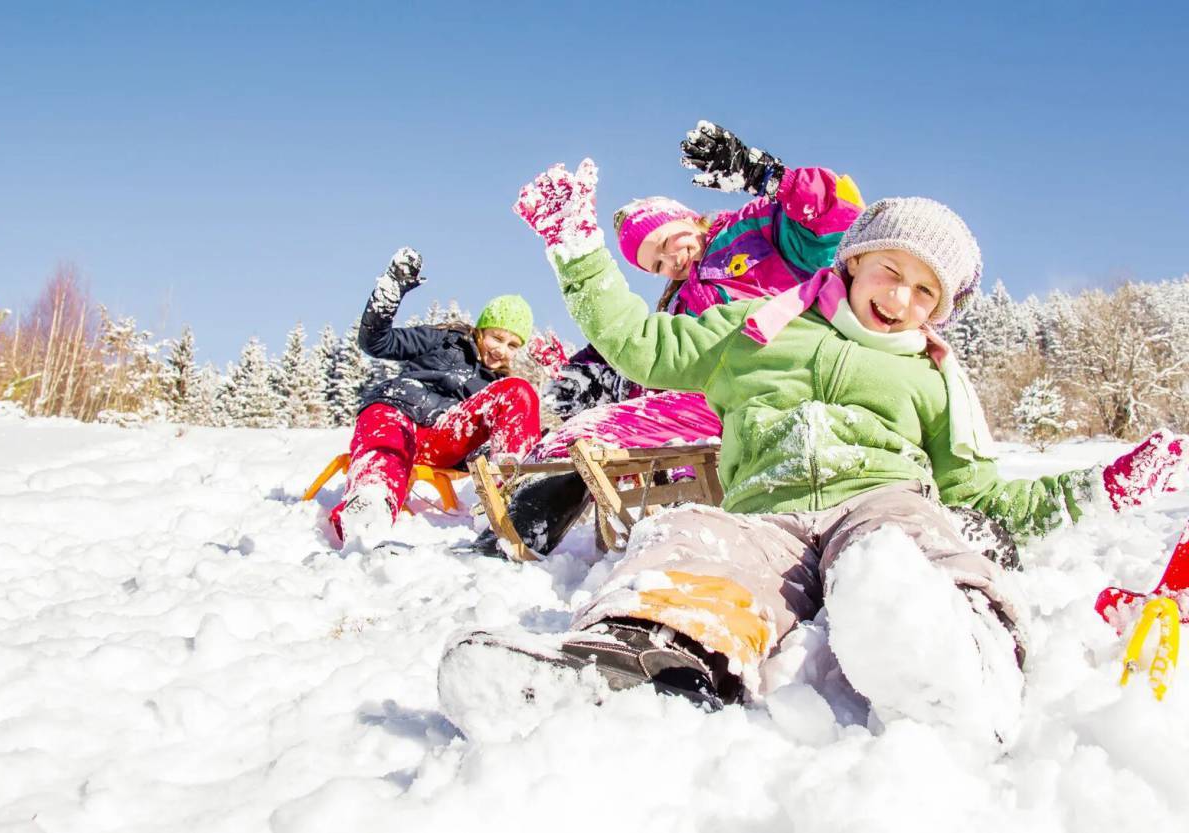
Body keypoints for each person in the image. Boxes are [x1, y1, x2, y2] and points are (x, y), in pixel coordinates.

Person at [439, 160, 1188, 745]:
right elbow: (641, 343)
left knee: (906, 547)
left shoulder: (931, 374)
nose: (902, 299)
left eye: (927, 292)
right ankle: (622, 661)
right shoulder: (759, 327)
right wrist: (579, 250)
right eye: (892, 270)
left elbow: (982, 497)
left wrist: (1104, 487)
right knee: (689, 538)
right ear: (856, 261)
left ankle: (959, 659)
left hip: (882, 500)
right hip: (769, 510)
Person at [463, 122, 866, 559]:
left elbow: (837, 222)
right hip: (713, 405)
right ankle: (510, 538)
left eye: (666, 242)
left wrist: (767, 177)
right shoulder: (677, 305)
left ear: (686, 217)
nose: (670, 261)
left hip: (783, 387)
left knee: (596, 434)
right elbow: (653, 358)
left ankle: (513, 541)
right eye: (655, 265)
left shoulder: (754, 230)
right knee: (588, 436)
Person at [331, 247, 541, 542]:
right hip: (397, 412)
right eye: (497, 337)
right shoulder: (443, 340)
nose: (501, 350)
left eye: (513, 345)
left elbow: (487, 438)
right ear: (480, 330)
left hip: (444, 437)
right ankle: (371, 503)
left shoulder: (496, 385)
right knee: (386, 442)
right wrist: (391, 291)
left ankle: (507, 502)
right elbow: (376, 343)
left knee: (519, 390)